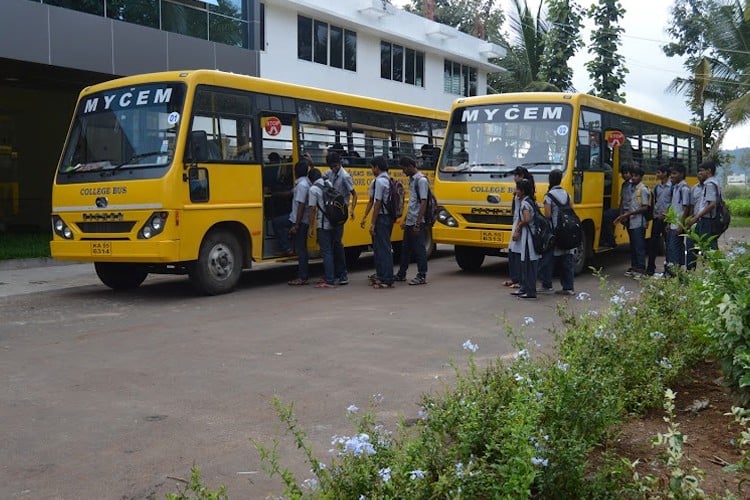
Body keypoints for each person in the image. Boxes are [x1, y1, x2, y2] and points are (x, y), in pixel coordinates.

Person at [323, 151, 357, 285]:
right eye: (331, 166)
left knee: (337, 243)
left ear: (340, 163)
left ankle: (343, 274)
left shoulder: (345, 176)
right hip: (331, 211)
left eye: (335, 166)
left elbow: (354, 194)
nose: (333, 168)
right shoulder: (330, 173)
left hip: (340, 213)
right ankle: (336, 272)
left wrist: (352, 209)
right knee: (332, 244)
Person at [539, 169, 575, 295]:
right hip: (567, 230)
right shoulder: (567, 194)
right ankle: (568, 287)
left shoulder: (548, 196)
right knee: (567, 258)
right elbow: (571, 210)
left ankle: (547, 285)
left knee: (549, 259)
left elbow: (547, 215)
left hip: (555, 231)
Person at [394, 156, 428, 285]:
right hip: (410, 221)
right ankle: (402, 274)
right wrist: (405, 219)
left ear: (410, 166)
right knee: (405, 249)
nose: (403, 171)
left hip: (417, 222)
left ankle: (422, 275)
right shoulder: (412, 180)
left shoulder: (421, 180)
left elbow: (423, 202)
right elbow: (413, 203)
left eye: (404, 169)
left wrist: (417, 224)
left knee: (419, 250)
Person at [282, 161, 313, 285]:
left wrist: (296, 225)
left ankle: (303, 277)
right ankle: (288, 246)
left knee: (301, 249)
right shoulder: (305, 183)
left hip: (299, 220)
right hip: (297, 219)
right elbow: (291, 193)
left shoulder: (302, 186)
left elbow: (300, 205)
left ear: (295, 172)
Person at [615, 166, 649, 277]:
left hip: (639, 222)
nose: (633, 178)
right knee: (633, 245)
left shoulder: (643, 189)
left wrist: (629, 214)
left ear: (641, 177)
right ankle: (634, 267)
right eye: (632, 176)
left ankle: (641, 269)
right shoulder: (632, 188)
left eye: (635, 176)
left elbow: (645, 208)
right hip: (631, 222)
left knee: (639, 246)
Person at [502, 166, 534, 288]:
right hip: (516, 223)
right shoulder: (519, 193)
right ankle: (515, 279)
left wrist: (517, 229)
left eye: (517, 175)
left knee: (518, 253)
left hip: (520, 226)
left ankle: (520, 280)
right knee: (513, 251)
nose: (514, 178)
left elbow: (523, 215)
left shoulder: (524, 196)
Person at [510, 179, 539, 299]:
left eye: (517, 189)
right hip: (529, 238)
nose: (515, 191)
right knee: (528, 264)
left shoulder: (525, 204)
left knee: (528, 264)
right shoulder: (530, 201)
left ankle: (530, 291)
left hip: (528, 239)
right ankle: (525, 288)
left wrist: (518, 227)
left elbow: (526, 219)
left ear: (522, 191)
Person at [369, 156, 395, 289]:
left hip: (382, 218)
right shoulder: (389, 180)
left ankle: (387, 279)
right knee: (382, 248)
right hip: (389, 217)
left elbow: (377, 202)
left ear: (377, 167)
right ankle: (383, 276)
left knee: (384, 249)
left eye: (372, 167)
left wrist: (372, 223)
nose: (372, 170)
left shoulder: (379, 182)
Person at [308, 167, 337, 288]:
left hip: (323, 224)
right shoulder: (328, 183)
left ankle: (329, 280)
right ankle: (332, 276)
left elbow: (312, 209)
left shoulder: (313, 189)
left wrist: (311, 227)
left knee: (326, 252)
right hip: (333, 222)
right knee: (331, 250)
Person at [687, 159, 721, 265]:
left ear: (709, 171)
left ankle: (713, 272)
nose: (699, 173)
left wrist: (696, 217)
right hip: (707, 220)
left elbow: (711, 204)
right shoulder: (713, 183)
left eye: (701, 170)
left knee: (708, 248)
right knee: (701, 246)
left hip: (707, 221)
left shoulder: (710, 184)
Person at [646, 164, 672, 276]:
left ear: (665, 173)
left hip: (667, 219)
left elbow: (673, 203)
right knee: (653, 243)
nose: (657, 175)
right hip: (657, 218)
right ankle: (651, 267)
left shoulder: (672, 187)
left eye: (659, 172)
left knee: (669, 244)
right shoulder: (657, 187)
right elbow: (655, 202)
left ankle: (669, 268)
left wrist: (668, 215)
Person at [666, 160, 691, 273]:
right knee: (674, 248)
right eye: (671, 173)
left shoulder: (684, 189)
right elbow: (673, 207)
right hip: (673, 224)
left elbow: (686, 208)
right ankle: (677, 272)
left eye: (675, 173)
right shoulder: (675, 188)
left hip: (678, 225)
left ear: (681, 174)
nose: (672, 176)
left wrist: (681, 225)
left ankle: (674, 273)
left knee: (674, 249)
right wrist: (669, 222)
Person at [600, 165, 632, 248]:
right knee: (606, 216)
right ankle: (610, 240)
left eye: (626, 173)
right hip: (623, 211)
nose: (624, 175)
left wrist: (626, 215)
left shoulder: (634, 185)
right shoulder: (624, 184)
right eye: (622, 173)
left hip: (631, 212)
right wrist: (621, 214)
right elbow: (622, 200)